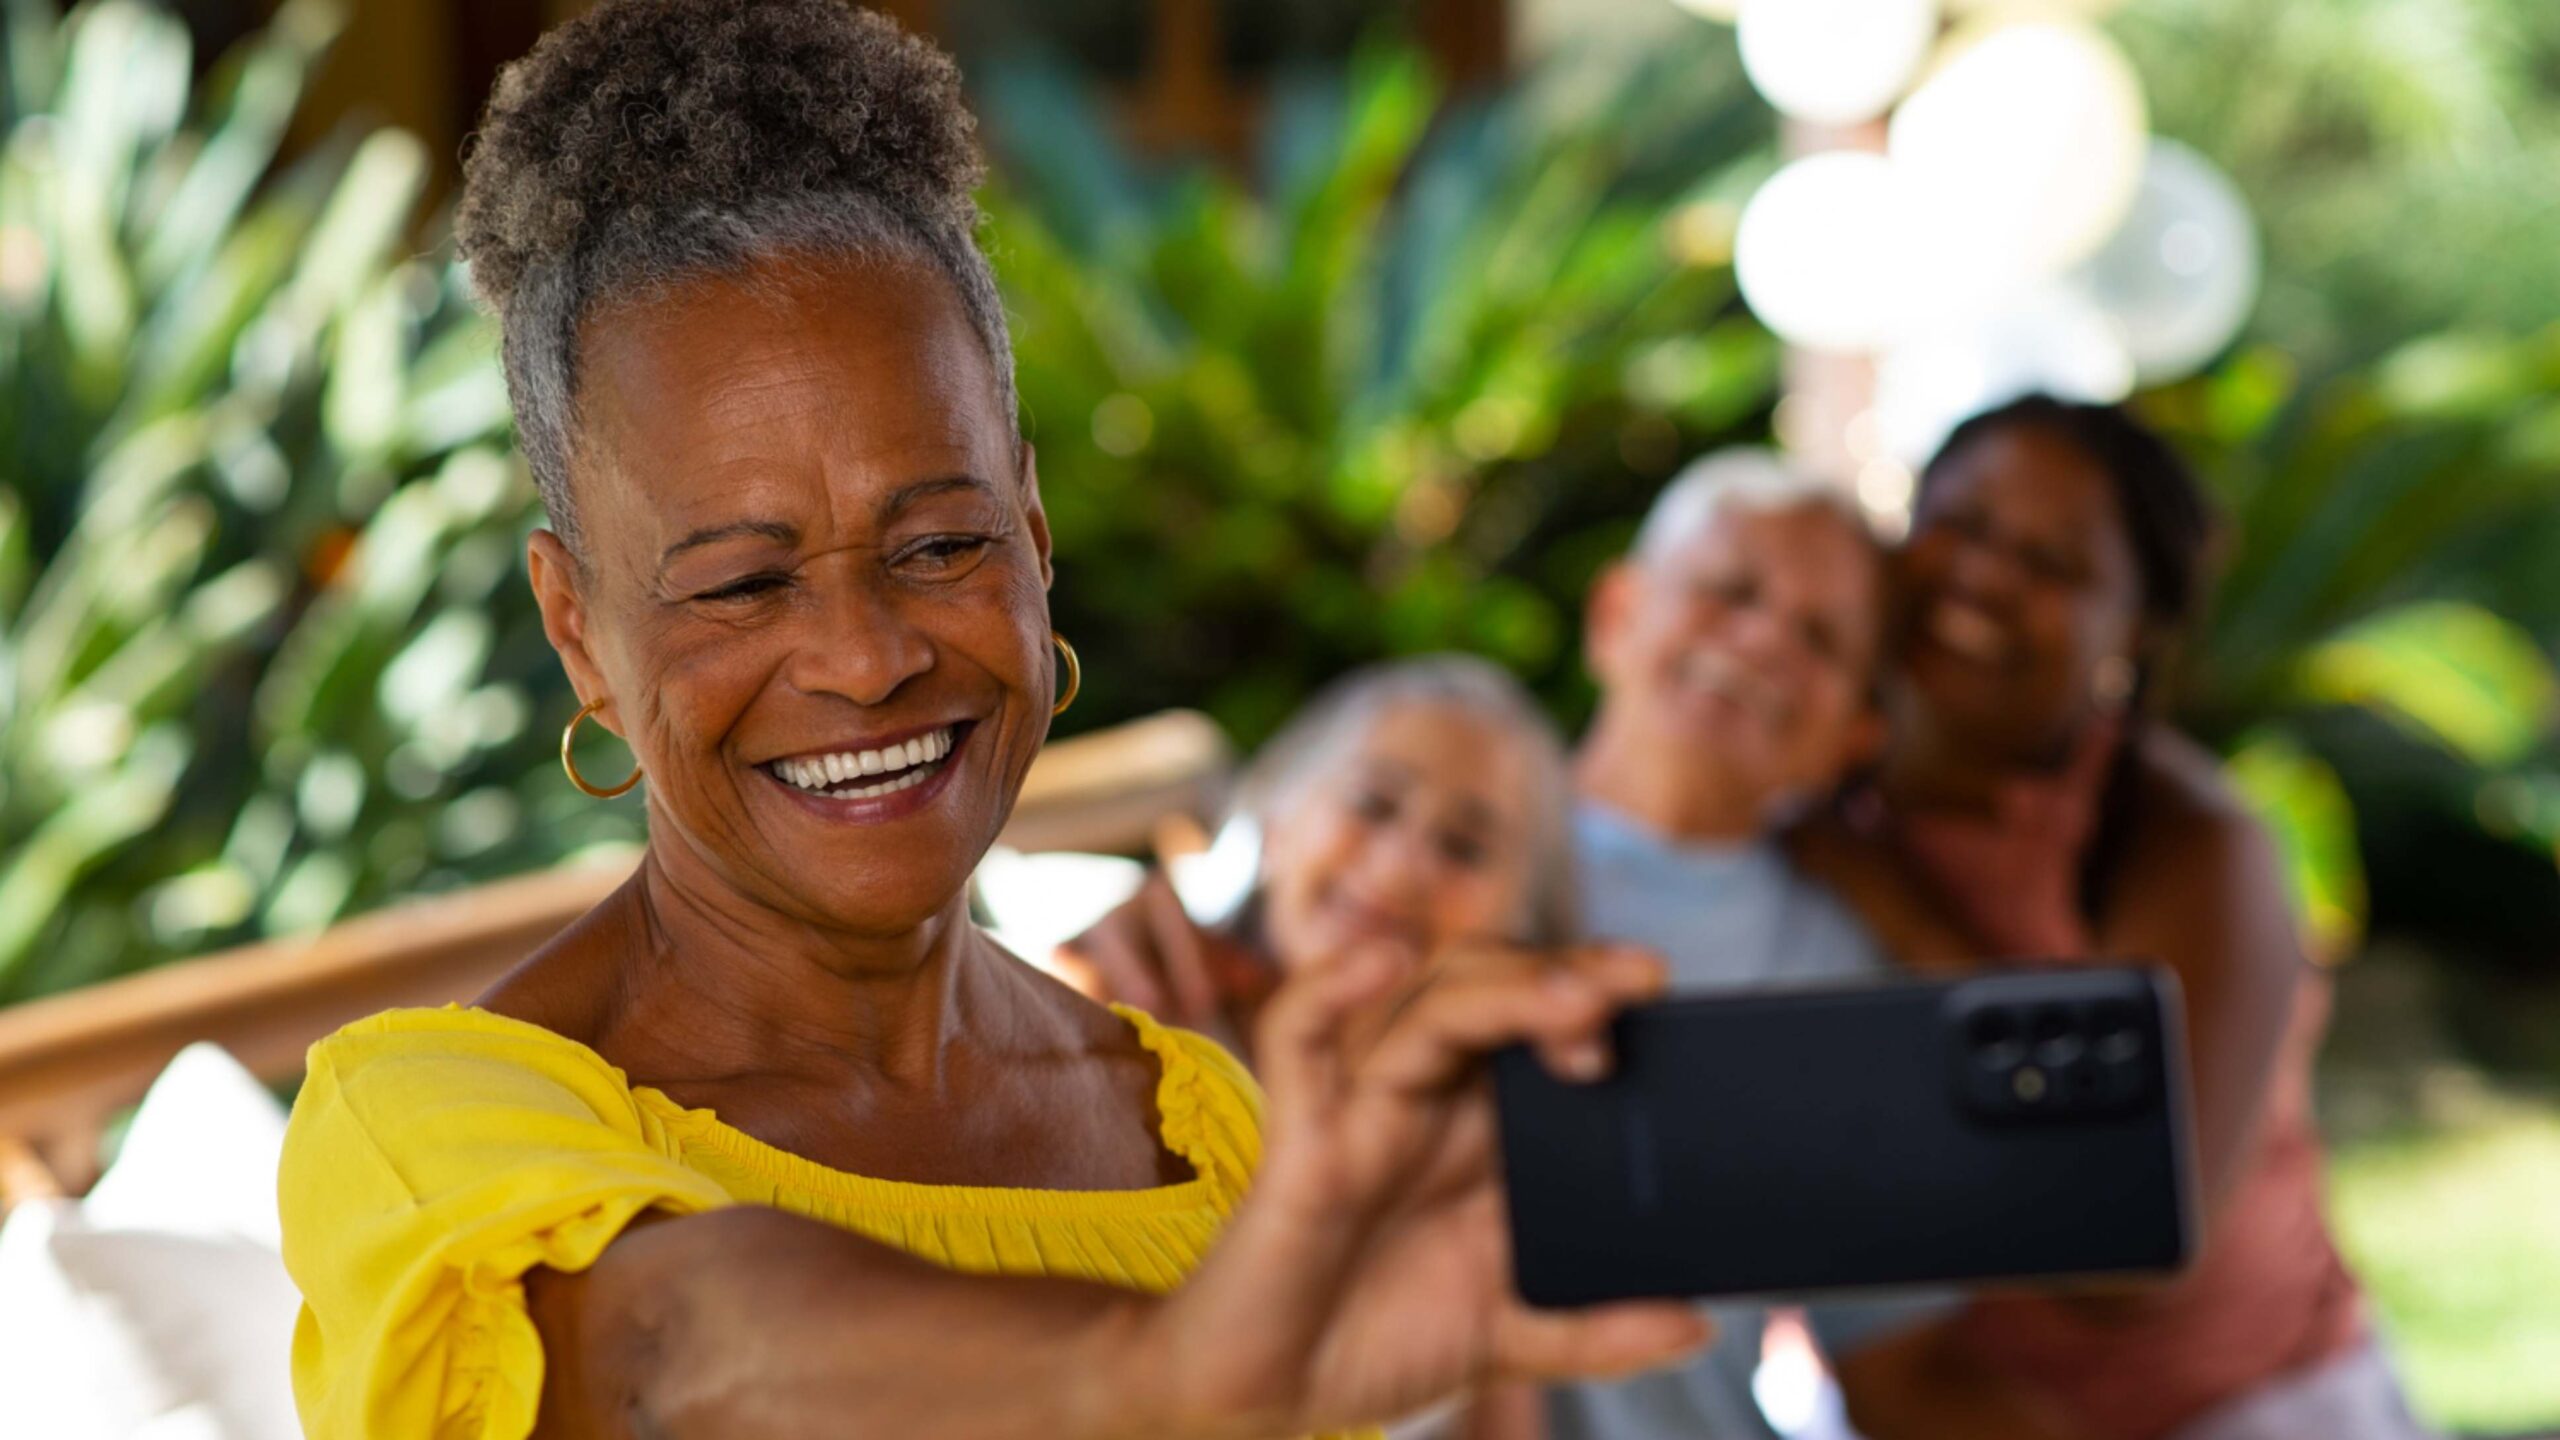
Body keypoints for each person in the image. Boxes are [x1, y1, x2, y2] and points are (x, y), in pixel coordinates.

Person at [272, 6, 1713, 1438]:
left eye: (941, 546)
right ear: (578, 630)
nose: (864, 655)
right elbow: (667, 1349)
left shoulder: (1199, 1127)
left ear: (1031, 532)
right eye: (744, 583)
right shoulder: (435, 1123)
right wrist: (1149, 1377)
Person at [1071, 451, 1933, 1440]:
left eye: (1819, 637)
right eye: (1726, 589)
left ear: (1857, 729)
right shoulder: (1468, 797)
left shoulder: (1848, 961)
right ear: (1615, 615)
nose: (1761, 639)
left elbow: (1894, 1358)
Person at [1798, 395, 2430, 1440]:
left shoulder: (2188, 843)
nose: (1985, 576)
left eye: (2055, 565)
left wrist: (1892, 910)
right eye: (1962, 523)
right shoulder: (1819, 788)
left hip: (2241, 1411)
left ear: (2130, 631)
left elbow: (2131, 1252)